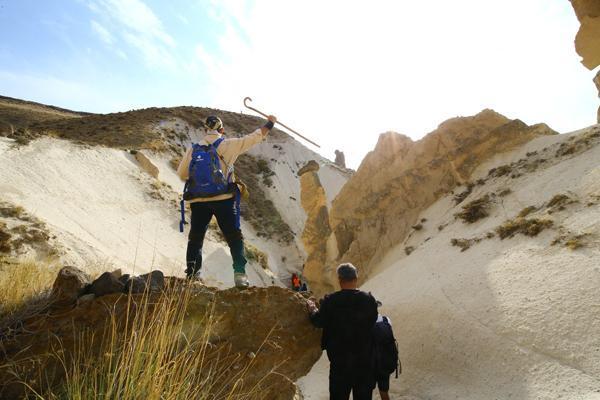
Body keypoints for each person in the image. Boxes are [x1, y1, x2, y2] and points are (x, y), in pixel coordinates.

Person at [177, 114, 276, 288]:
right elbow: (254, 137)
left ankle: (192, 276)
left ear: (205, 129)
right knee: (234, 237)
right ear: (221, 130)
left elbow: (181, 174)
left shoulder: (194, 149)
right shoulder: (229, 144)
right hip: (224, 199)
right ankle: (240, 276)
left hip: (199, 200)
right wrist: (270, 123)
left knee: (196, 238)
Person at [307, 263, 378, 400]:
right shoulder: (368, 300)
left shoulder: (331, 301)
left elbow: (318, 321)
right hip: (364, 363)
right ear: (356, 278)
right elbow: (372, 321)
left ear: (339, 280)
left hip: (340, 364)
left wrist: (312, 309)